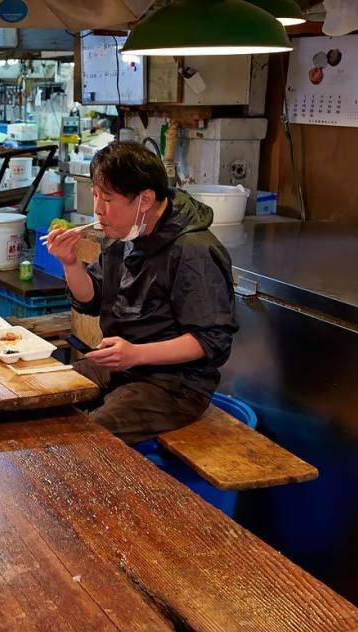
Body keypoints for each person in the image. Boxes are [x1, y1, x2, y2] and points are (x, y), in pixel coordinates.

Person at [46, 141, 237, 444]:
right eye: (95, 195)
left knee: (83, 442)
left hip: (174, 384)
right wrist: (70, 264)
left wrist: (136, 354)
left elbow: (212, 340)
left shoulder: (193, 250)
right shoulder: (123, 234)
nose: (97, 209)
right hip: (121, 368)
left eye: (107, 199)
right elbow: (92, 300)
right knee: (41, 399)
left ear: (145, 199)